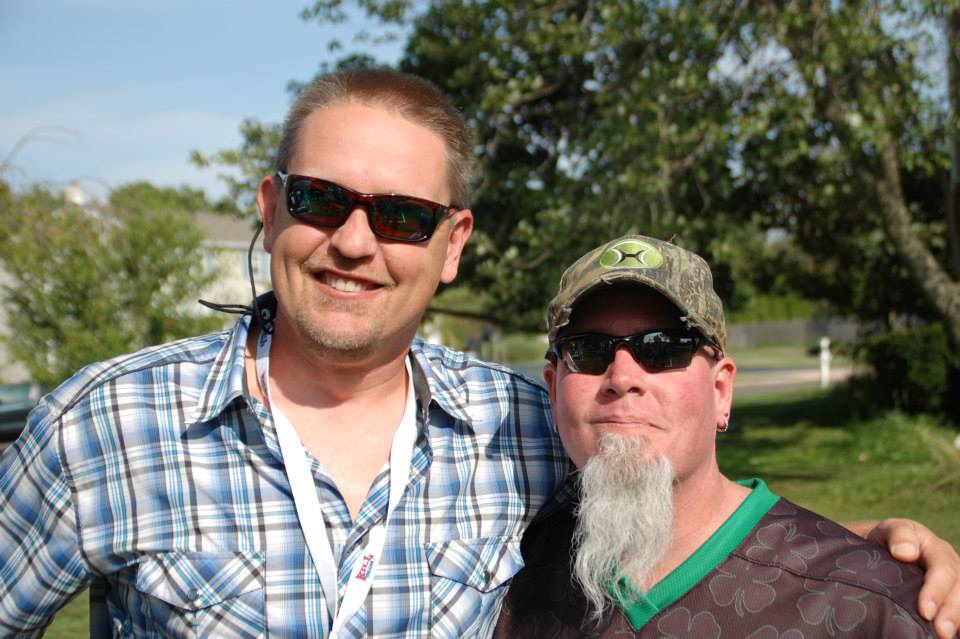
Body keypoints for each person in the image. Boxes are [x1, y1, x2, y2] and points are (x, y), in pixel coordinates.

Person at [0, 69, 957, 638]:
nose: (354, 243)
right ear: (269, 205)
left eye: (402, 216)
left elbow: (684, 504)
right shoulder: (98, 427)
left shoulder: (523, 425)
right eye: (320, 200)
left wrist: (870, 553)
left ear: (452, 243)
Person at [494, 234, 956, 638]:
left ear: (721, 391)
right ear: (554, 390)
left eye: (663, 348)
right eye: (588, 351)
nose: (622, 377)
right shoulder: (501, 582)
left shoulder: (872, 606)